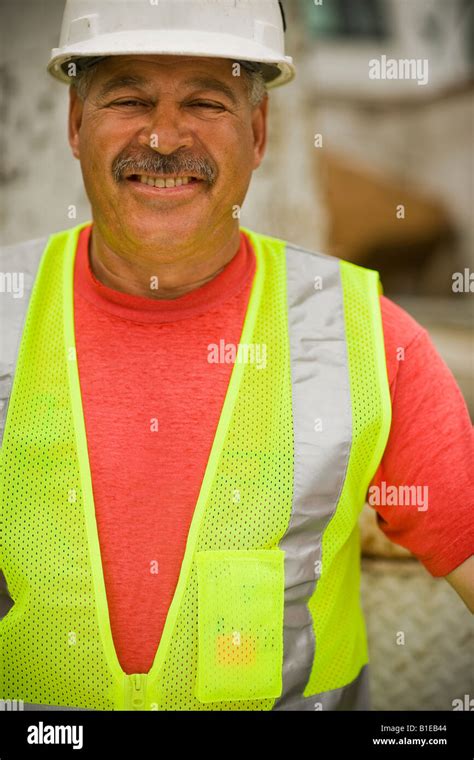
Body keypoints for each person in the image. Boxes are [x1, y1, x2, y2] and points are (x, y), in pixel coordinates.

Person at [0, 0, 472, 712]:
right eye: (128, 98)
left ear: (257, 133)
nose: (163, 136)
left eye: (205, 101)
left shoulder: (366, 339)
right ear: (74, 123)